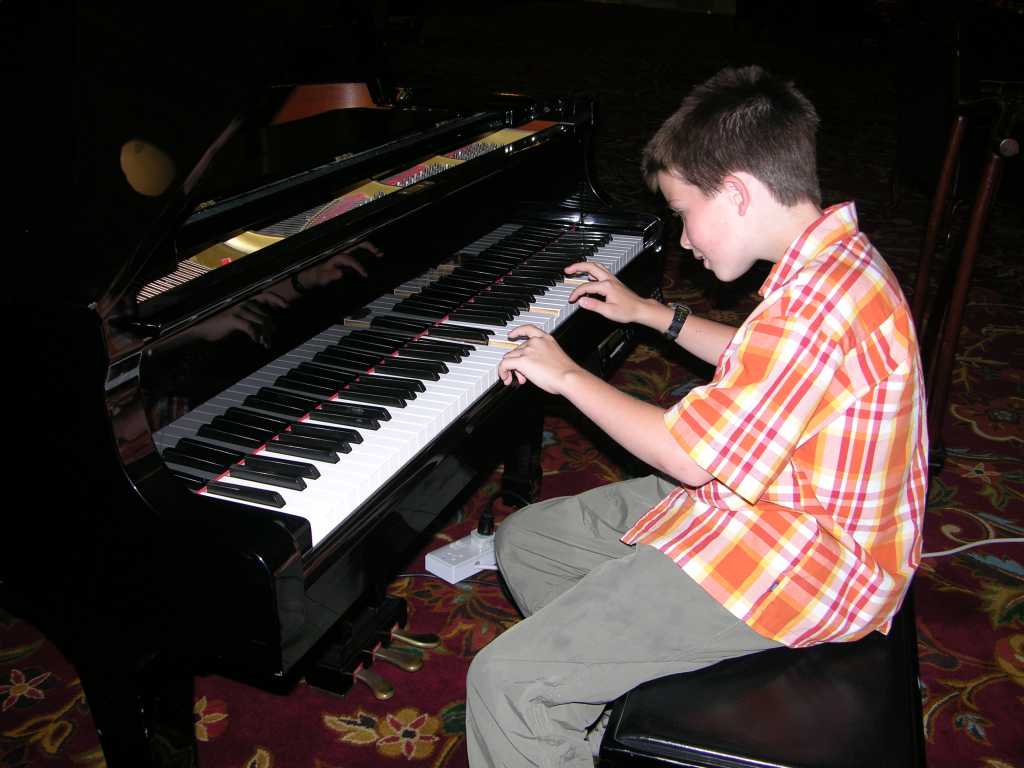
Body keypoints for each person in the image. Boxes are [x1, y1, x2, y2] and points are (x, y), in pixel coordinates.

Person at [465, 64, 929, 768]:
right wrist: (653, 314)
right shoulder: (833, 264)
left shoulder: (814, 306)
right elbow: (762, 361)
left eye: (684, 214)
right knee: (529, 540)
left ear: (738, 192)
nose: (683, 240)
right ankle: (604, 699)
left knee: (506, 684)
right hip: (772, 502)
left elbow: (690, 455)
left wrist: (566, 375)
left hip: (807, 564)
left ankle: (556, 704)